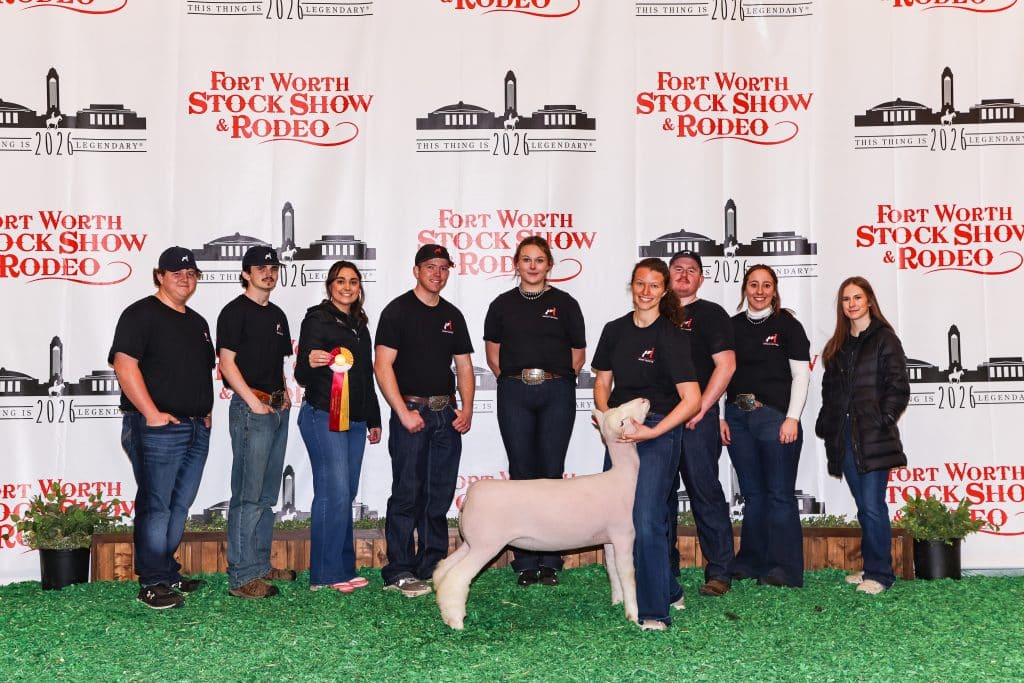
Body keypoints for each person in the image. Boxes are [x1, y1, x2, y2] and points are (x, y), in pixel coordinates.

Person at [592, 257, 701, 630]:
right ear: (632, 285)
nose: (646, 291)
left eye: (654, 285)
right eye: (640, 283)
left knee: (647, 517)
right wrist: (612, 417)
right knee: (621, 518)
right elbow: (602, 383)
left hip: (658, 431)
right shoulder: (614, 330)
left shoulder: (673, 336)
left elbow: (692, 400)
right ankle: (668, 589)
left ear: (664, 290)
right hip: (621, 430)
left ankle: (655, 611)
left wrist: (652, 432)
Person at [109, 246, 214, 609]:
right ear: (159, 276)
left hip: (195, 427)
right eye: (176, 273)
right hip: (157, 426)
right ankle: (151, 582)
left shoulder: (198, 322)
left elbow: (199, 371)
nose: (184, 279)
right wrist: (151, 413)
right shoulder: (140, 314)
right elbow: (124, 365)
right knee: (156, 505)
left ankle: (166, 572)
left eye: (190, 274)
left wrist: (205, 412)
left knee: (178, 505)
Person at [483, 236, 586, 587]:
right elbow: (492, 354)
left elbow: (578, 353)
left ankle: (551, 558)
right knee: (523, 475)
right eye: (525, 259)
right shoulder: (501, 305)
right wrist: (515, 381)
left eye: (539, 260)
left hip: (557, 392)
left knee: (551, 474)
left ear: (549, 265)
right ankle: (525, 559)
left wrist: (554, 381)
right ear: (516, 264)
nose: (532, 266)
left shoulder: (566, 303)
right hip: (515, 393)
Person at [374, 244, 475, 598]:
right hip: (412, 412)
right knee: (406, 493)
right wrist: (402, 412)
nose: (438, 273)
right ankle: (398, 569)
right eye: (430, 267)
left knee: (439, 493)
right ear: (416, 270)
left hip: (446, 414)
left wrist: (466, 409)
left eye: (444, 267)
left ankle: (430, 564)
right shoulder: (397, 312)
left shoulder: (452, 315)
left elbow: (463, 365)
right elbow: (382, 365)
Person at [815, 276, 909, 595]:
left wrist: (881, 420)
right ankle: (872, 567)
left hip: (873, 437)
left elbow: (898, 387)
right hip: (844, 436)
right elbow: (831, 393)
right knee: (864, 505)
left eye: (857, 297)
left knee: (872, 506)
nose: (852, 303)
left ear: (869, 300)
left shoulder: (885, 339)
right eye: (846, 299)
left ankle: (880, 575)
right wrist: (827, 425)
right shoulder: (839, 345)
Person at [720, 264, 811, 588]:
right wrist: (721, 415)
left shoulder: (788, 325)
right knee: (754, 495)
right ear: (745, 288)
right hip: (737, 416)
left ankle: (784, 570)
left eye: (766, 285)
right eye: (754, 284)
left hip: (774, 417)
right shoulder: (730, 327)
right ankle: (751, 562)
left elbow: (801, 374)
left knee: (779, 495)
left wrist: (792, 418)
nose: (759, 291)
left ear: (775, 290)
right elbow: (722, 374)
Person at [295, 260, 382, 593]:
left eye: (354, 282)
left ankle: (343, 567)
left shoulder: (360, 324)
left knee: (345, 493)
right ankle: (324, 574)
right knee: (333, 493)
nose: (347, 287)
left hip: (356, 420)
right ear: (330, 285)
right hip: (323, 416)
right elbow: (303, 373)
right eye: (341, 281)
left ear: (359, 288)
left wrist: (373, 418)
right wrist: (312, 361)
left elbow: (365, 376)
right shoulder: (316, 319)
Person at [217, 245, 296, 599]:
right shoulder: (234, 312)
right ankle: (241, 577)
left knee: (265, 495)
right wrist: (253, 401)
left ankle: (260, 565)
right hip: (253, 410)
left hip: (277, 408)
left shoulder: (277, 314)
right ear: (246, 273)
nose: (268, 272)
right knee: (248, 497)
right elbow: (227, 363)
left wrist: (284, 393)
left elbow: (276, 363)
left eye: (273, 267)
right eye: (260, 268)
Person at [665, 251, 737, 597]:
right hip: (660, 419)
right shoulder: (654, 313)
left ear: (701, 278)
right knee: (659, 496)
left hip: (698, 418)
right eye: (677, 269)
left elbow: (726, 366)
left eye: (691, 270)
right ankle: (665, 571)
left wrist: (701, 408)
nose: (683, 275)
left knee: (705, 493)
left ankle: (720, 571)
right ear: (667, 276)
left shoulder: (711, 314)